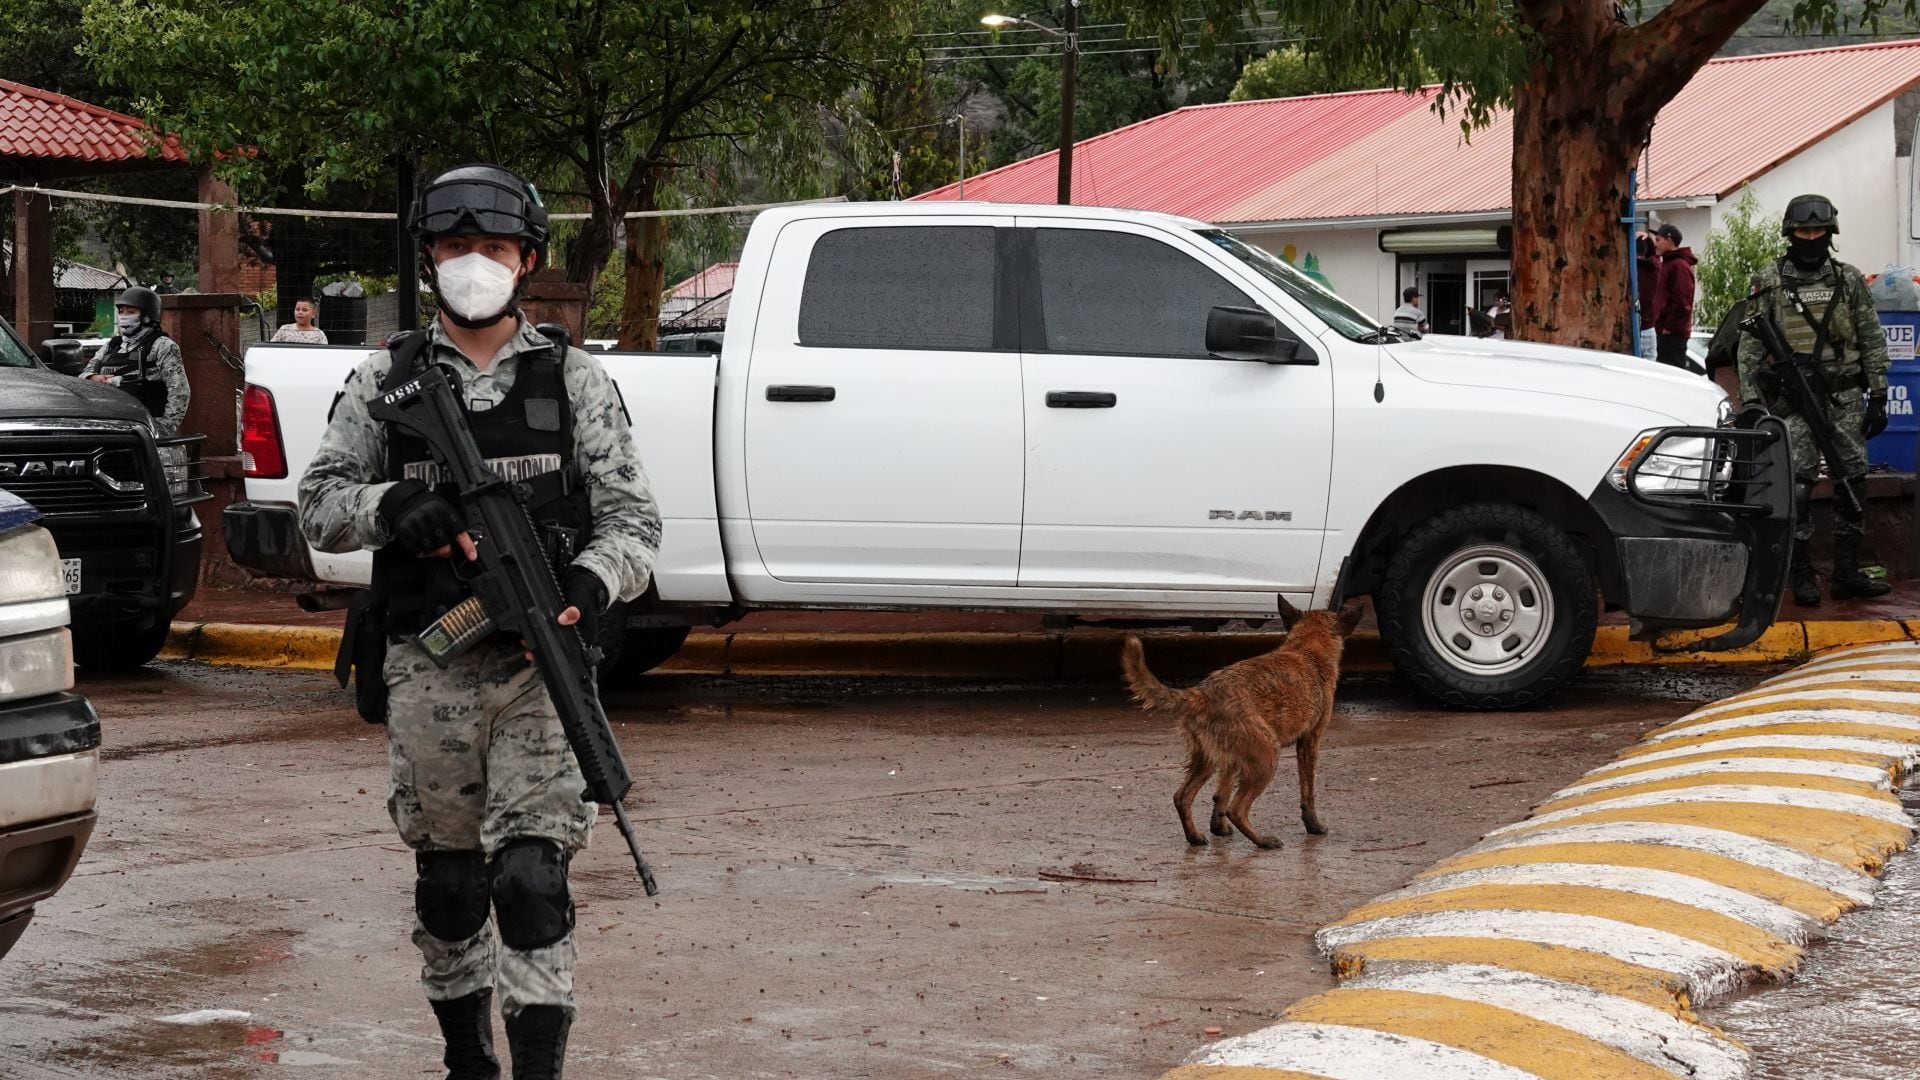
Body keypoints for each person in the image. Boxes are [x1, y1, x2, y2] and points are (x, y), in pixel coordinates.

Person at [296, 163, 662, 1079]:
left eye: (493, 247)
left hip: (541, 667)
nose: (474, 263)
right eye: (456, 246)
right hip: (429, 666)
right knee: (451, 885)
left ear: (526, 259)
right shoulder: (385, 380)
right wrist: (390, 507)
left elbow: (634, 520)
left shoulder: (572, 378)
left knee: (532, 879)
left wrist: (593, 580)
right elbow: (319, 505)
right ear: (429, 258)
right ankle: (468, 1062)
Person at [1736, 193, 1892, 606]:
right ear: (1791, 233)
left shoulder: (1848, 279)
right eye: (1803, 231)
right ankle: (1801, 573)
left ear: (1829, 233)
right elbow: (1749, 348)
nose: (1810, 237)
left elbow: (1871, 338)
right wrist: (1751, 400)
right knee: (1799, 486)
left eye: (1817, 230)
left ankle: (1847, 572)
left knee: (1852, 481)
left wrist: (1878, 393)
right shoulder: (1769, 280)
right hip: (1795, 400)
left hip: (1844, 397)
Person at [79, 286, 191, 436]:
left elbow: (180, 391)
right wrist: (93, 378)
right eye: (121, 311)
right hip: (108, 431)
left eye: (131, 312)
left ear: (147, 316)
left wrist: (164, 428)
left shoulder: (162, 346)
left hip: (146, 432)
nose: (123, 316)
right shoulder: (112, 345)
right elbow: (83, 377)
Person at [1652, 224, 1697, 369]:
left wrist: (1669, 327)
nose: (1655, 244)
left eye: (1658, 240)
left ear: (1669, 240)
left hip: (1672, 333)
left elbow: (1682, 301)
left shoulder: (1679, 265)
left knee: (1672, 373)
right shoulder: (1668, 263)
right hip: (1664, 330)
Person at [1635, 233, 1662, 359]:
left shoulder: (1629, 270)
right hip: (1649, 329)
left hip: (1633, 328)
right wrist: (1648, 239)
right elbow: (1655, 255)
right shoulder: (1654, 268)